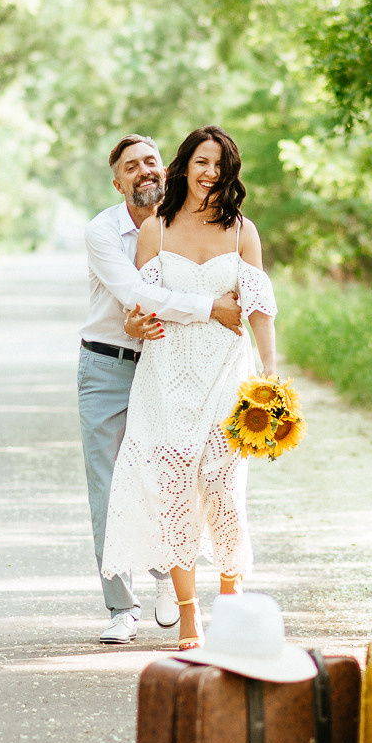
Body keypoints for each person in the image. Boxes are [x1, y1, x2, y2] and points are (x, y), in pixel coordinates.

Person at [100, 124, 278, 650]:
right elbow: (138, 304)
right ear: (185, 166)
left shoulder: (243, 231)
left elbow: (260, 309)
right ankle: (188, 612)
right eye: (202, 162)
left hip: (227, 370)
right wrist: (133, 325)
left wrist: (269, 375)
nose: (211, 172)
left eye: (220, 165)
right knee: (175, 491)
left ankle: (231, 605)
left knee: (224, 489)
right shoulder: (156, 228)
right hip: (167, 375)